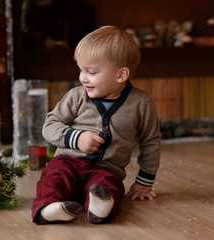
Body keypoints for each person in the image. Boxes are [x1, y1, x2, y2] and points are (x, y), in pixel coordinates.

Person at [32, 25, 161, 224]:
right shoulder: (76, 96)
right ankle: (49, 207)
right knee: (54, 176)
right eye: (80, 70)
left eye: (91, 72)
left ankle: (99, 207)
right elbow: (49, 125)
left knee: (108, 185)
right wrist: (77, 138)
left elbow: (150, 142)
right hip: (68, 161)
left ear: (121, 75)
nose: (82, 78)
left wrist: (144, 183)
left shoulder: (141, 103)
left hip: (107, 169)